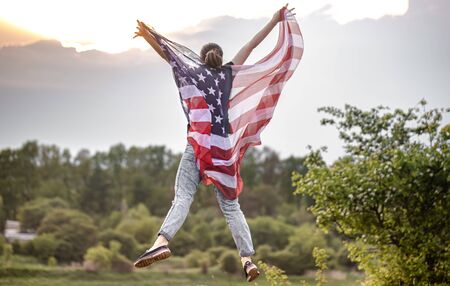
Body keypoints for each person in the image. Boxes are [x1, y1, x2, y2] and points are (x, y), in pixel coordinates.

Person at [132, 4, 296, 282]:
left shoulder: (193, 75)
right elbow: (252, 46)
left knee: (183, 196)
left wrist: (148, 36)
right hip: (224, 150)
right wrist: (273, 20)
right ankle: (247, 259)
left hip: (199, 145)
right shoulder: (229, 75)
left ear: (203, 58)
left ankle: (161, 242)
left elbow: (169, 56)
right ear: (220, 58)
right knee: (232, 207)